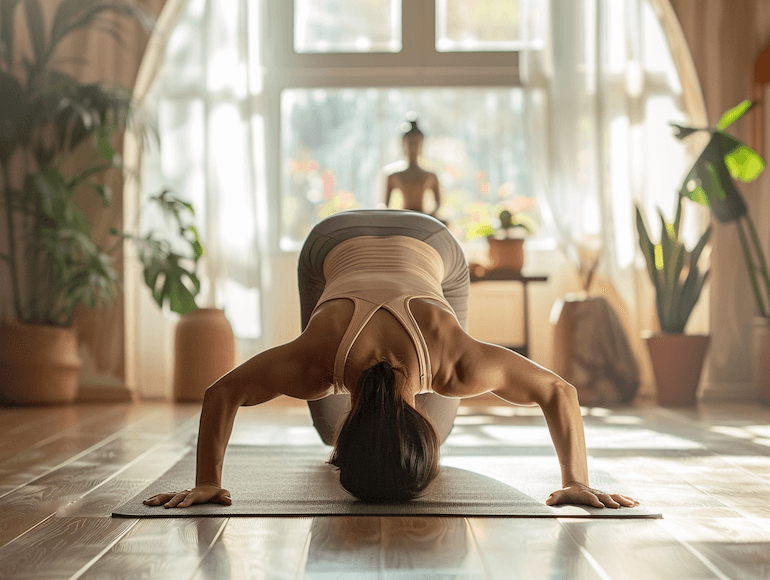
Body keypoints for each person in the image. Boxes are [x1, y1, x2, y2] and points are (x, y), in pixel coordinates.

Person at [144, 209, 638, 509]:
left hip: (424, 242)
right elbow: (558, 390)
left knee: (420, 435)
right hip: (338, 239)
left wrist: (210, 481)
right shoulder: (324, 365)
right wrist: (574, 480)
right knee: (366, 433)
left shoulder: (334, 363)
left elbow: (222, 392)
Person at [385, 118, 443, 218]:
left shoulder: (431, 176)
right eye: (410, 143)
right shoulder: (393, 175)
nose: (413, 147)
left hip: (423, 218)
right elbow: (386, 206)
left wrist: (429, 215)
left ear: (422, 144)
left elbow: (438, 204)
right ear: (403, 144)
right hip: (403, 218)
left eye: (416, 143)